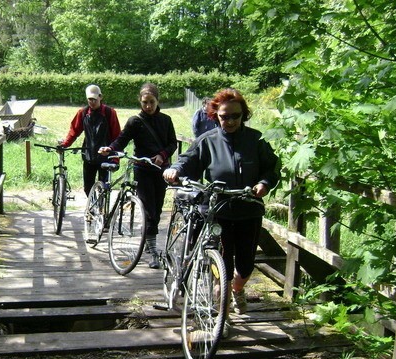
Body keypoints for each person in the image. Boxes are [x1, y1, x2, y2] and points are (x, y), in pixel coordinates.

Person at [163, 88, 280, 314]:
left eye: (235, 116)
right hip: (218, 210)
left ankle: (237, 290)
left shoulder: (256, 140)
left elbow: (271, 167)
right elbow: (188, 160)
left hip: (249, 209)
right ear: (216, 115)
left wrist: (264, 183)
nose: (230, 121)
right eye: (224, 116)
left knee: (245, 266)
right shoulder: (208, 141)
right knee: (221, 266)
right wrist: (174, 169)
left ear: (243, 115)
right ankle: (221, 315)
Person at [100, 82, 177, 269]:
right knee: (149, 210)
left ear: (158, 100)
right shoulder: (135, 121)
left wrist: (162, 156)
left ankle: (149, 242)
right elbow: (122, 139)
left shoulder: (166, 120)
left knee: (157, 211)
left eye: (151, 102)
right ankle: (153, 252)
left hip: (161, 171)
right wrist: (110, 148)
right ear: (140, 101)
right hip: (142, 170)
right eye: (144, 102)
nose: (148, 106)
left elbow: (172, 143)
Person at [59, 84, 121, 196]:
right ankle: (91, 209)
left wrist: (115, 157)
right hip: (88, 156)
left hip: (106, 156)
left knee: (104, 188)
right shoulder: (82, 113)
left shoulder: (110, 113)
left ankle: (102, 210)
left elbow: (116, 136)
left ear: (100, 97)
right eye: (89, 100)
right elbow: (74, 131)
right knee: (88, 188)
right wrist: (65, 144)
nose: (92, 102)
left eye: (94, 99)